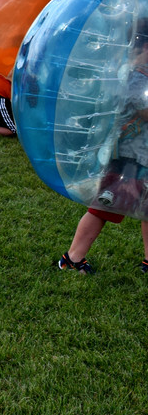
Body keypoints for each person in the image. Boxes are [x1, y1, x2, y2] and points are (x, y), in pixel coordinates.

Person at [57, 25, 148, 275]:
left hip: (143, 157)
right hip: (127, 160)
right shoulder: (135, 78)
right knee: (103, 208)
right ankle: (72, 258)